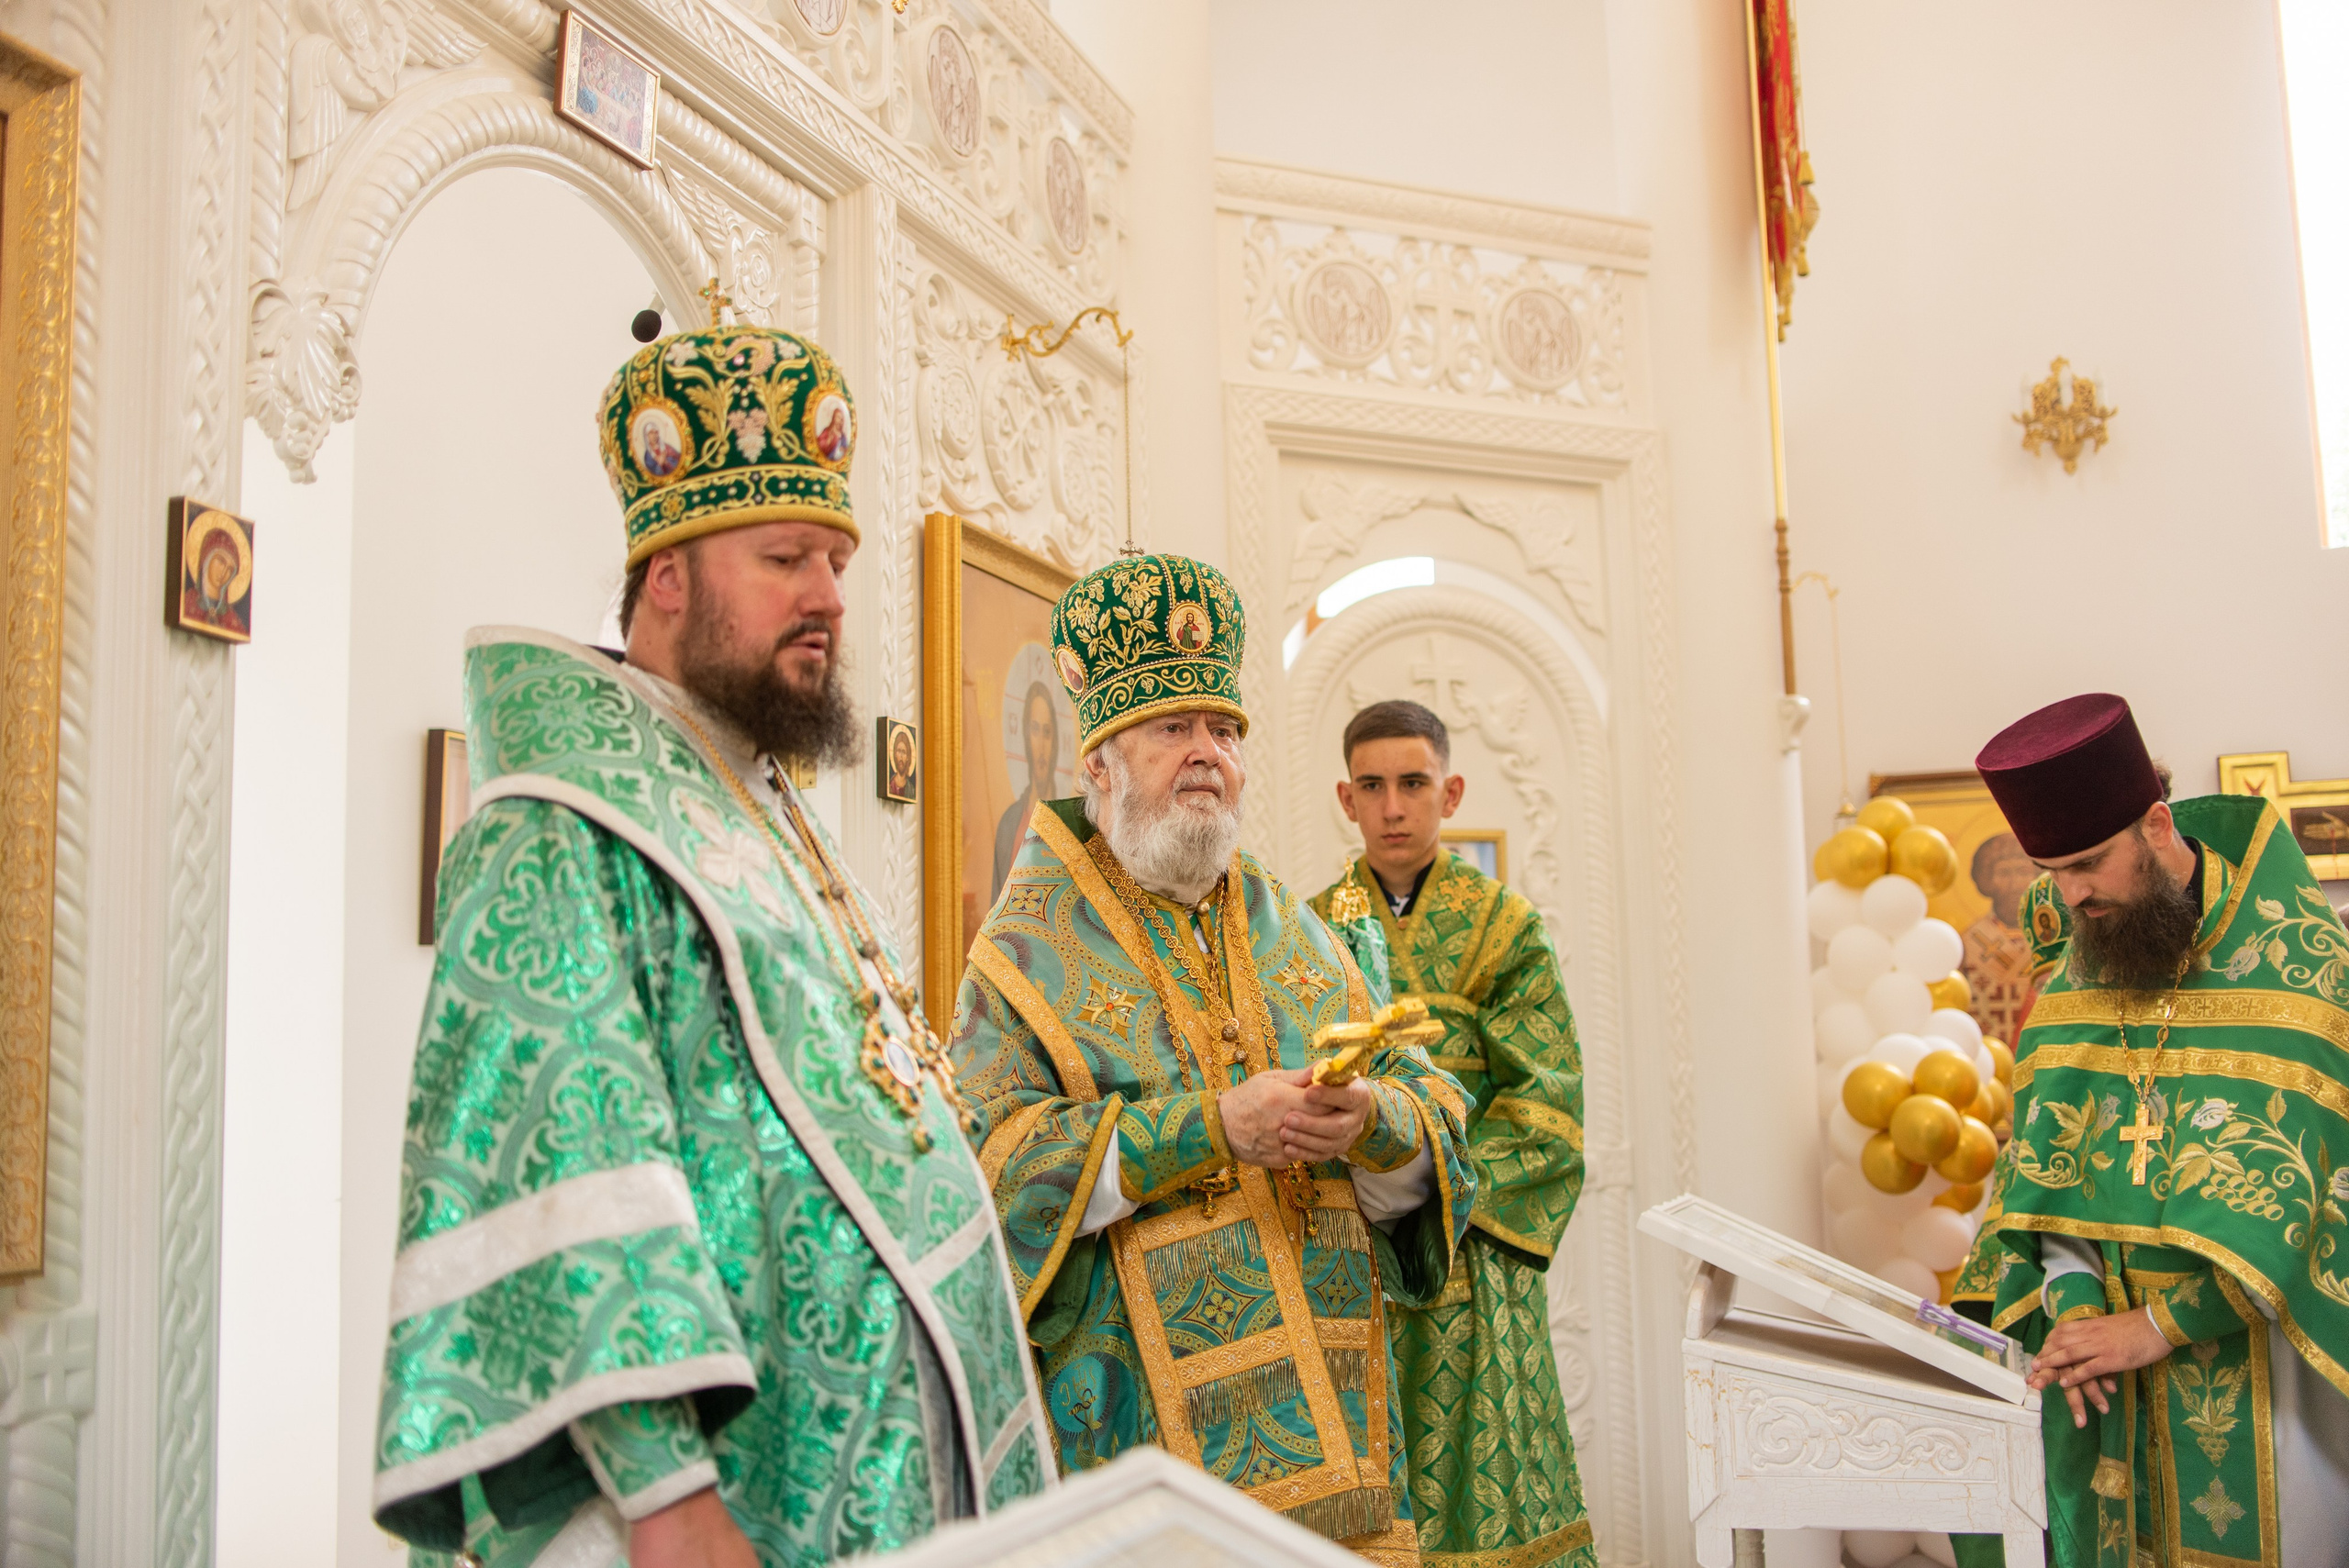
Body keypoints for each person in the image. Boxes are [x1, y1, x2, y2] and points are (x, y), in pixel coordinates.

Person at [370, 320, 1051, 1568]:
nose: (831, 596)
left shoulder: (753, 798)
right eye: (786, 555)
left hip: (884, 1471)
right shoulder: (559, 827)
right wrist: (667, 1497)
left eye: (836, 559)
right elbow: (566, 1169)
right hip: (726, 1499)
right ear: (668, 575)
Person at [949, 554, 1474, 1568]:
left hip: (1344, 1450)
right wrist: (1208, 1128)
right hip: (1137, 1450)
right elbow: (985, 1170)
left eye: (1224, 730)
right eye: (1171, 729)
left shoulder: (1292, 928)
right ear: (1096, 762)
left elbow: (1433, 1110)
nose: (1207, 753)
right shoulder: (1021, 956)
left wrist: (1372, 1123)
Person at [1949, 694, 2349, 1568]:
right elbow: (2045, 1171)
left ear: (2158, 825)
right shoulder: (2073, 968)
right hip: (2108, 1380)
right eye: (2052, 871)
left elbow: (2321, 1189)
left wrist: (2156, 1328)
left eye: (2088, 863)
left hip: (2271, 1379)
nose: (2071, 896)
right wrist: (2078, 1304)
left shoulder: (2302, 960)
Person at [1308, 700, 1598, 1568]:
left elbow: (1548, 1104)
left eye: (1413, 783)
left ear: (1452, 791)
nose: (1393, 806)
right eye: (1372, 785)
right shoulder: (1305, 930)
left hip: (1470, 1254)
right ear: (1345, 797)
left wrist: (1436, 1184)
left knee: (1485, 1487)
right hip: (1347, 1253)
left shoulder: (1506, 929)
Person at [1962, 829, 2038, 1047]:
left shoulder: (2053, 937)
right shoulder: (1968, 942)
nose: (2015, 884)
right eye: (2004, 873)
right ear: (1987, 878)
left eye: (2023, 871)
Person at [992, 680, 1061, 902]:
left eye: (1047, 732)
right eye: (1035, 730)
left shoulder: (1070, 824)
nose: (1041, 744)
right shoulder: (1009, 823)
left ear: (1056, 742)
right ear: (1025, 736)